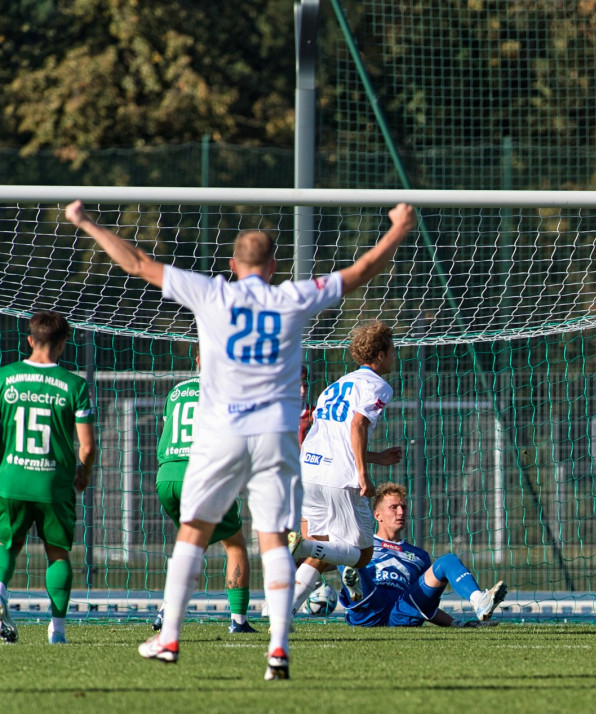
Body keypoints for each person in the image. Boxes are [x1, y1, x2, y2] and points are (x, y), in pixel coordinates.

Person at [64, 198, 417, 679]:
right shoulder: (291, 296)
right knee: (272, 539)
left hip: (224, 431)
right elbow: (363, 270)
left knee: (193, 530)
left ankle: (169, 638)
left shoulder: (212, 293)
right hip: (274, 434)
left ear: (233, 266)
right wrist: (397, 227)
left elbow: (138, 262)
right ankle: (277, 650)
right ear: (273, 267)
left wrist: (86, 221)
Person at [288, 321, 403, 614]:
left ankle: (281, 612)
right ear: (379, 355)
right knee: (363, 555)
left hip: (310, 470)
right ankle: (301, 549)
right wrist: (364, 474)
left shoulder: (335, 386)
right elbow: (357, 424)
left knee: (325, 550)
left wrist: (376, 457)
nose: (394, 356)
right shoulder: (378, 385)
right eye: (391, 350)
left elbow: (333, 436)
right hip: (339, 478)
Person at [0, 311, 97, 645]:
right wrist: (82, 473)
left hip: (11, 478)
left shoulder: (5, 377)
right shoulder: (75, 385)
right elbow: (87, 445)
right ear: (63, 344)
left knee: (7, 546)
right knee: (58, 552)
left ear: (29, 340)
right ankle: (57, 630)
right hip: (54, 483)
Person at [153, 353, 256, 634]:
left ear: (198, 358)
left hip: (167, 477)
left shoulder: (177, 391)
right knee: (234, 543)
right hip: (201, 475)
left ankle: (167, 608)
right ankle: (238, 621)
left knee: (192, 543)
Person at [338, 482, 506, 627]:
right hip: (371, 604)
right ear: (377, 515)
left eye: (403, 507)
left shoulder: (419, 555)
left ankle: (480, 601)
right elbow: (325, 561)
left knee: (448, 560)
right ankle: (356, 588)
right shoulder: (365, 544)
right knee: (345, 549)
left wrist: (458, 624)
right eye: (393, 507)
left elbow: (427, 605)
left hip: (403, 611)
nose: (401, 512)